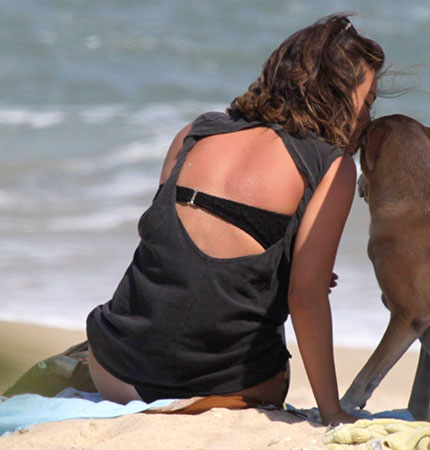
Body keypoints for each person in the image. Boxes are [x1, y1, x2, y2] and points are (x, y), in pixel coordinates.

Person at [85, 13, 382, 425]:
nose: (368, 116)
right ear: (332, 92)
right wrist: (331, 410)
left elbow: (172, 252)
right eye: (365, 101)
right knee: (275, 372)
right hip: (215, 388)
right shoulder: (331, 167)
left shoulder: (196, 133)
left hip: (113, 369)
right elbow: (306, 297)